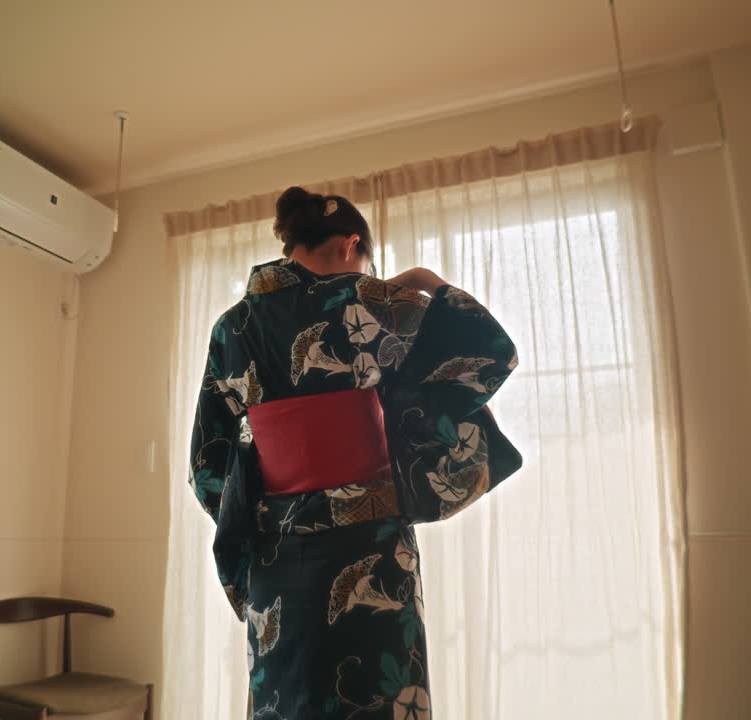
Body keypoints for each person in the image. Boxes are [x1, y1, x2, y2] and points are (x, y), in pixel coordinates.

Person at [188, 186, 522, 719]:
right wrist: (426, 282)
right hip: (369, 537)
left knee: (287, 695)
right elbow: (489, 353)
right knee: (377, 693)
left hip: (277, 552)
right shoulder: (374, 302)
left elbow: (208, 461)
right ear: (350, 245)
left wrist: (260, 518)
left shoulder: (232, 325)